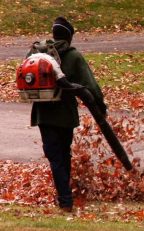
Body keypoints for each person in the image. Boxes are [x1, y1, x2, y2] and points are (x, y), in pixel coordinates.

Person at [30, 17, 107, 212]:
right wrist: (101, 107)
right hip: (65, 115)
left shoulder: (36, 52)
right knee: (63, 155)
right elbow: (91, 86)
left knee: (55, 156)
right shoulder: (73, 56)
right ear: (69, 37)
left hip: (43, 114)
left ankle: (64, 198)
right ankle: (65, 200)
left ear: (54, 33)